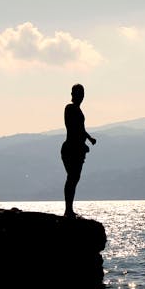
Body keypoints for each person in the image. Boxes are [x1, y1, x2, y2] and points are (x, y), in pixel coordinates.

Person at [61, 84, 96, 218]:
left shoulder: (78, 110)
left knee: (74, 178)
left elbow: (81, 128)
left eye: (82, 94)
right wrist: (83, 142)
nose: (81, 96)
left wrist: (89, 138)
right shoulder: (70, 108)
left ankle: (69, 209)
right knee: (72, 177)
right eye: (78, 93)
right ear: (73, 94)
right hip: (71, 148)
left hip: (78, 149)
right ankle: (68, 210)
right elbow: (74, 128)